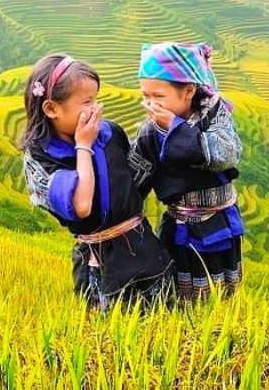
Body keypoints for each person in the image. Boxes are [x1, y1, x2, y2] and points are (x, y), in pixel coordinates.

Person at [21, 53, 173, 311]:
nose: (97, 108)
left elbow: (135, 181)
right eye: (87, 102)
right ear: (51, 108)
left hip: (146, 252)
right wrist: (83, 146)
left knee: (165, 330)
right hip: (100, 266)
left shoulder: (110, 133)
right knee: (107, 341)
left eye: (96, 99)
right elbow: (81, 205)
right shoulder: (40, 158)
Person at [131, 42, 245, 302]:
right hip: (183, 227)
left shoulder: (215, 115)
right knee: (184, 291)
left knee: (225, 288)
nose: (150, 104)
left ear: (189, 91)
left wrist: (176, 128)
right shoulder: (150, 132)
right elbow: (135, 179)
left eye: (158, 96)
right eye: (145, 96)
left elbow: (228, 154)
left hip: (222, 219)